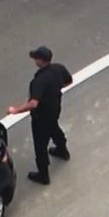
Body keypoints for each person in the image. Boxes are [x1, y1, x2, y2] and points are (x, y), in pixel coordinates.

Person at [7, 46, 73, 185]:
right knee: (54, 128)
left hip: (41, 117)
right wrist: (54, 90)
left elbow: (33, 103)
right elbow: (69, 81)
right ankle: (63, 151)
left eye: (36, 58)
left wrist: (15, 110)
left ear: (40, 61)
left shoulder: (39, 81)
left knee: (40, 145)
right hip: (55, 109)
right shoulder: (58, 68)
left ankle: (43, 175)